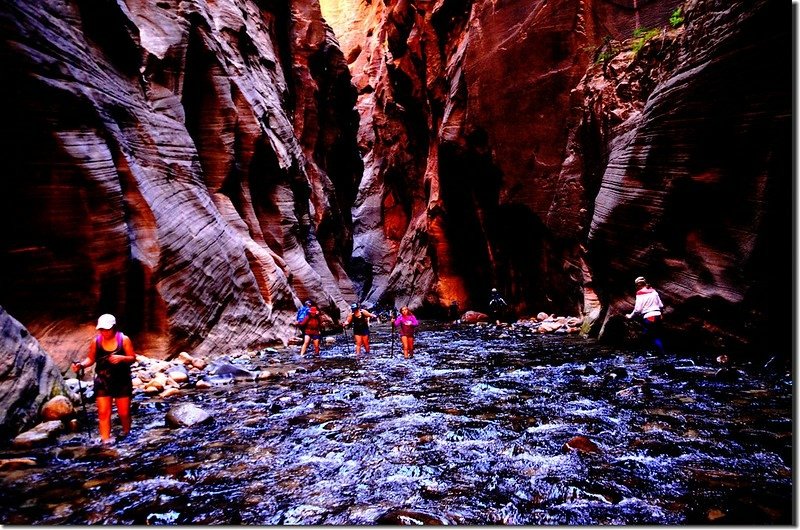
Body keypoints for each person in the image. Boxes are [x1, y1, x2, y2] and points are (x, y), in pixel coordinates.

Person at [71, 314, 136, 444]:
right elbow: (91, 358)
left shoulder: (124, 340)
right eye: (102, 329)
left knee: (124, 413)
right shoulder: (97, 341)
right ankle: (106, 442)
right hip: (103, 381)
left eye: (107, 329)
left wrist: (122, 358)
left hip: (121, 380)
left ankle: (127, 436)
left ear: (113, 327)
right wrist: (81, 365)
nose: (104, 332)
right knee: (103, 413)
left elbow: (132, 358)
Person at [626, 276, 665, 354]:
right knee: (656, 335)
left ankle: (659, 355)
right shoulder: (654, 291)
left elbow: (638, 309)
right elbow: (661, 305)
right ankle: (659, 353)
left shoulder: (640, 293)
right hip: (658, 316)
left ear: (638, 285)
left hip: (649, 317)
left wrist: (630, 316)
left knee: (650, 336)